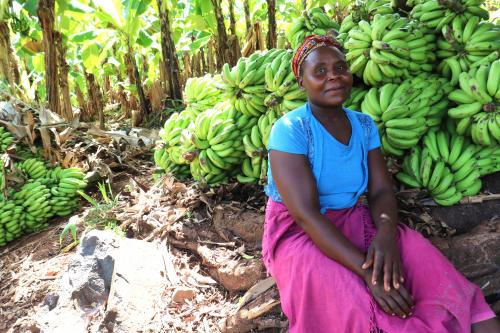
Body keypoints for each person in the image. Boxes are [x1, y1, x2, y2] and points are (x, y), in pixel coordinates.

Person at [262, 35, 499, 333]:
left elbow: (381, 190)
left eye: (340, 67)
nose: (333, 76)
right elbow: (305, 215)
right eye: (319, 71)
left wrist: (386, 235)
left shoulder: (363, 125)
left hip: (354, 219)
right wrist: (369, 273)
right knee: (352, 301)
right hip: (301, 233)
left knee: (421, 259)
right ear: (301, 82)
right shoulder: (290, 130)